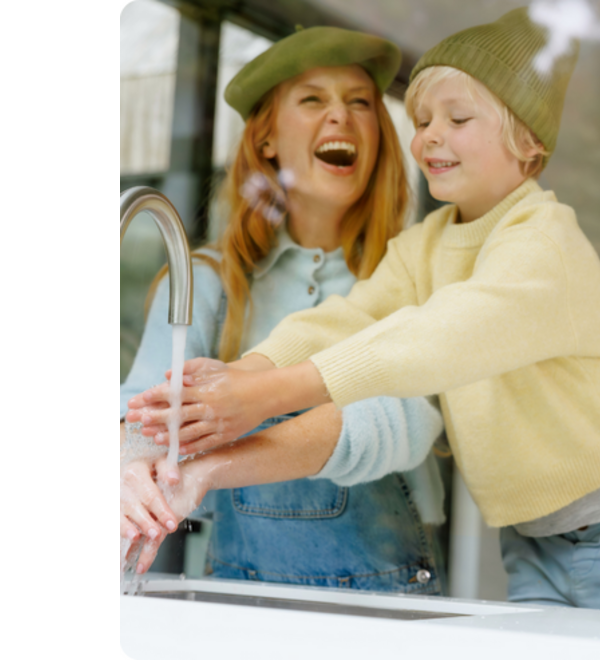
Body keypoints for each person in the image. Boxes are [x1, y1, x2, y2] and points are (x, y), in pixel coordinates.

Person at [129, 8, 600, 614]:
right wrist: (242, 372)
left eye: (458, 118)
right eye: (424, 118)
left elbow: (432, 339)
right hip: (532, 537)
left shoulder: (542, 243)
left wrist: (268, 394)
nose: (430, 134)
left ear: (530, 144)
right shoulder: (428, 244)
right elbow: (346, 319)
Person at [119, 25, 449, 595]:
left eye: (360, 103)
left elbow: (409, 421)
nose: (340, 117)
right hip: (237, 592)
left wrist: (217, 459)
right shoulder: (207, 281)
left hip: (390, 599)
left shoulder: (416, 273)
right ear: (268, 139)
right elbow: (142, 414)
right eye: (313, 99)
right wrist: (131, 463)